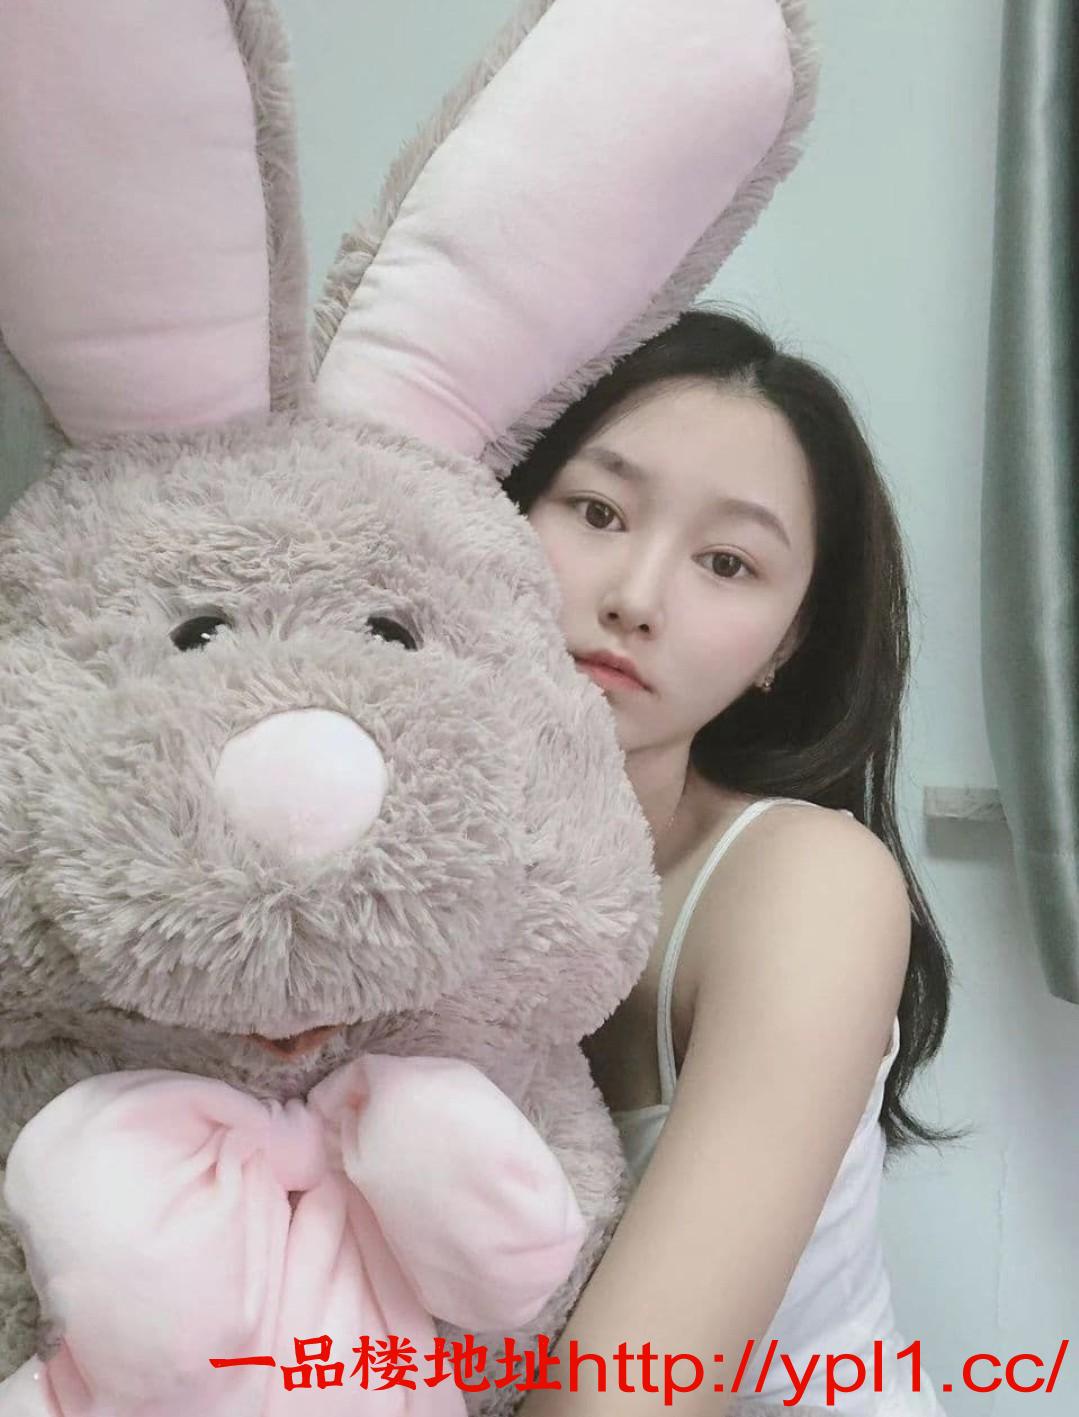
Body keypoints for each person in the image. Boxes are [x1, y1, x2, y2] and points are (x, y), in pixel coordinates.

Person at [500, 309, 959, 1416]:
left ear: (786, 642)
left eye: (726, 562)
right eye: (596, 511)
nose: (635, 596)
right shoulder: (377, 857)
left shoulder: (804, 882)